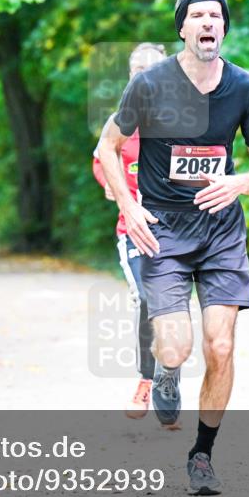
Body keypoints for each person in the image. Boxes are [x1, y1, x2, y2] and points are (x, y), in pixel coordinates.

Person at [96, 0, 249, 495]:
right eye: (197, 16)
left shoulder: (245, 88)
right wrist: (129, 206)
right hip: (165, 232)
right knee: (176, 349)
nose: (207, 24)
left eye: (215, 17)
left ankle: (201, 455)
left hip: (220, 230)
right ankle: (167, 373)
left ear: (224, 29)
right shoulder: (150, 85)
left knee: (221, 345)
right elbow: (108, 147)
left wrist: (238, 181)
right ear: (182, 29)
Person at [92, 43, 166, 421]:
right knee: (148, 300)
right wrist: (110, 181)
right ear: (130, 75)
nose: (144, 74)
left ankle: (168, 380)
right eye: (137, 68)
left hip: (176, 230)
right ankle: (145, 381)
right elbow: (100, 158)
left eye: (152, 68)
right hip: (134, 230)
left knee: (173, 308)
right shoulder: (121, 121)